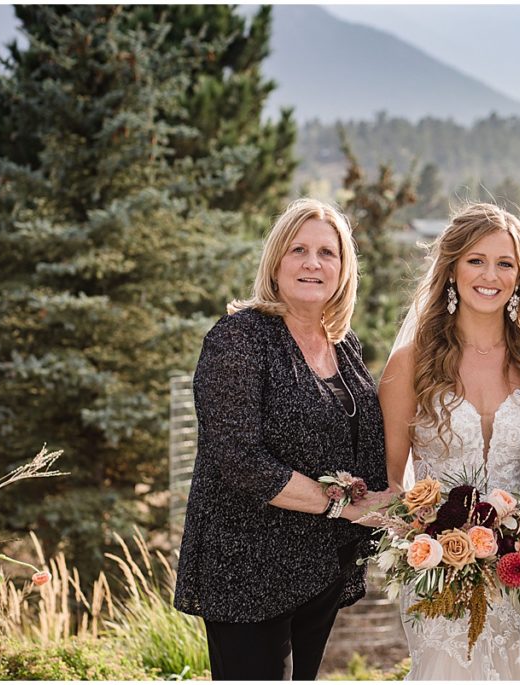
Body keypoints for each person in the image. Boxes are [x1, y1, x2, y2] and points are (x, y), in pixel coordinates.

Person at [174, 198, 390, 680]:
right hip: (247, 570)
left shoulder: (344, 344)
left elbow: (364, 442)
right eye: (298, 250)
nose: (313, 263)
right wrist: (341, 505)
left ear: (343, 268)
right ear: (275, 263)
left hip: (319, 568)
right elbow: (237, 456)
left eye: (327, 253)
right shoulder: (240, 338)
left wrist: (395, 505)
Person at [379, 202, 520, 680]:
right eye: (476, 260)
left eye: (505, 263)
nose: (491, 275)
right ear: (452, 268)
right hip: (436, 572)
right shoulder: (411, 363)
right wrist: (424, 543)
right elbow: (390, 477)